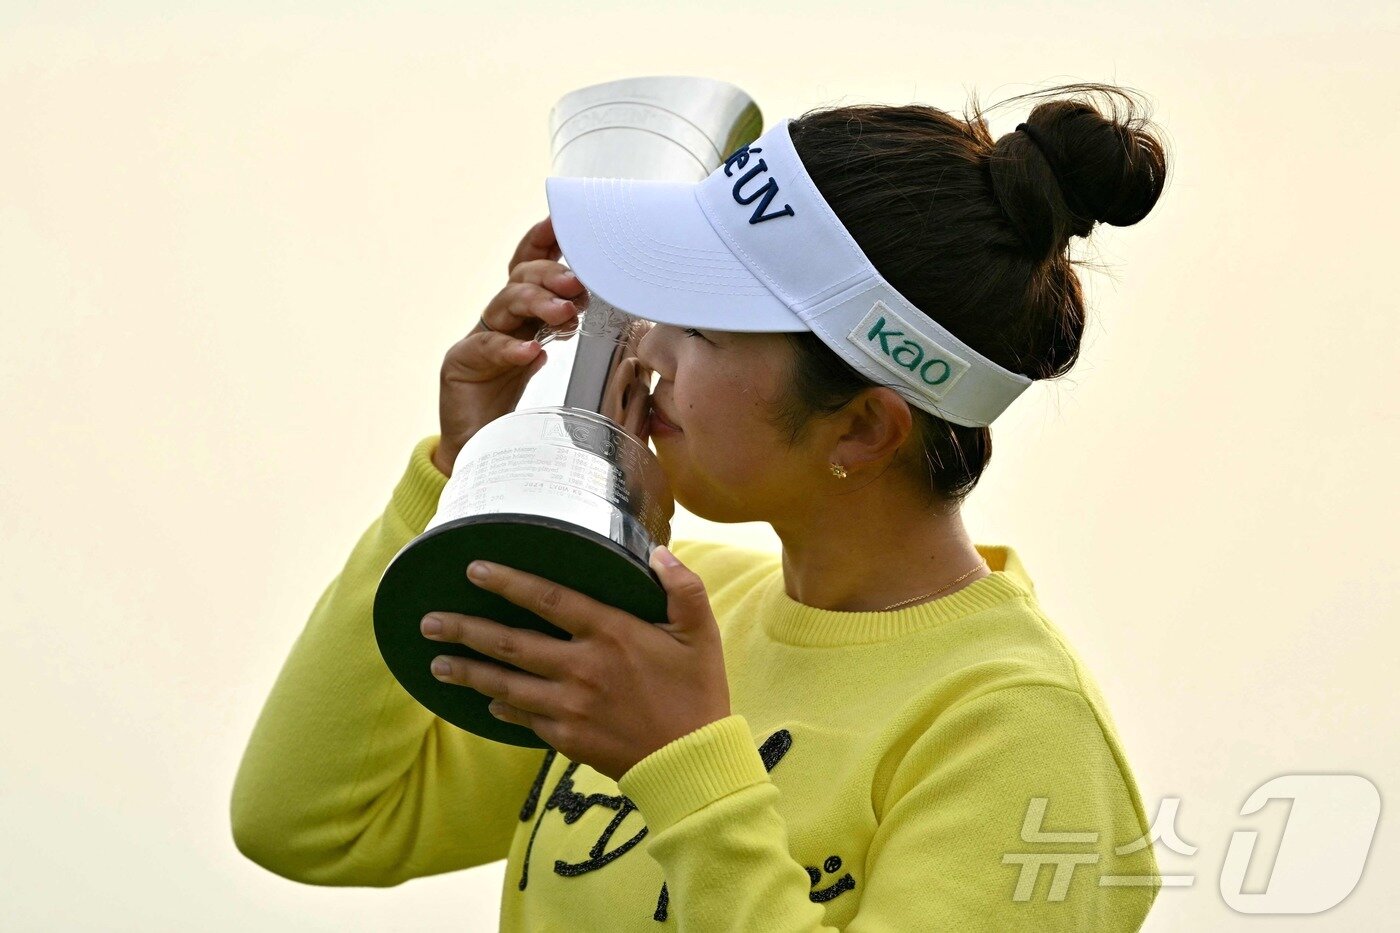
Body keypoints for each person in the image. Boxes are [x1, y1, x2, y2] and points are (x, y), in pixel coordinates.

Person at [232, 83, 1170, 931]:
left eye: (701, 328)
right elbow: (314, 821)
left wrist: (685, 764)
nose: (643, 347)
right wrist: (464, 476)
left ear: (863, 431)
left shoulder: (1018, 731)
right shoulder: (667, 607)